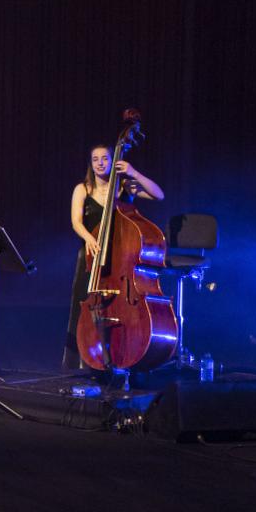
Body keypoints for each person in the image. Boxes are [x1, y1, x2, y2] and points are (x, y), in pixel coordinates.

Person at [63, 144, 166, 371]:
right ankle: (84, 362)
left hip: (122, 263)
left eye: (105, 158)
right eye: (95, 159)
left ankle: (122, 353)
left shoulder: (124, 186)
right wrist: (88, 238)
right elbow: (75, 222)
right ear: (91, 164)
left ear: (113, 161)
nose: (100, 163)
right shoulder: (83, 189)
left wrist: (134, 172)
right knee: (84, 310)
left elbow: (159, 194)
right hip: (91, 259)